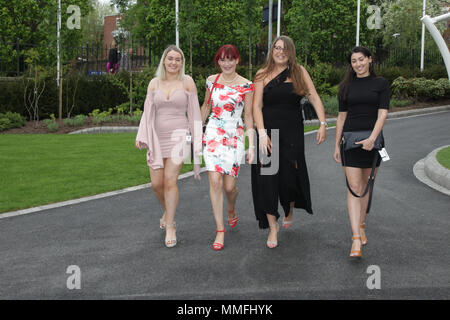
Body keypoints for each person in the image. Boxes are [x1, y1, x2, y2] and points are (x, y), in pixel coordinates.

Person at [251, 36, 327, 248]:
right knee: (267, 181)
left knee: (288, 181)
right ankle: (272, 227)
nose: (280, 52)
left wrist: (322, 123)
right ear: (271, 51)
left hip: (292, 133)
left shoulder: (299, 72)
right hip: (269, 135)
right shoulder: (261, 75)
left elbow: (313, 96)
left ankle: (289, 207)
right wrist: (262, 132)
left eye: (284, 49)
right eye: (277, 48)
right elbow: (256, 107)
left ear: (290, 51)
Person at [136, 45, 202, 248]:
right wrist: (141, 135)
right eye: (170, 58)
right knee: (157, 184)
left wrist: (197, 143)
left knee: (170, 179)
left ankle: (171, 225)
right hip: (157, 137)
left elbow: (194, 114)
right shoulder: (154, 84)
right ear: (164, 60)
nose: (173, 62)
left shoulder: (187, 82)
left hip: (179, 136)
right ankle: (167, 210)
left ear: (182, 63)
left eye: (178, 59)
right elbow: (147, 112)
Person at [333, 46, 390, 258]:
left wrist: (372, 139)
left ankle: (362, 224)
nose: (358, 64)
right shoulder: (345, 87)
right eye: (354, 61)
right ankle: (355, 238)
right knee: (354, 187)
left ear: (370, 59)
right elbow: (341, 117)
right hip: (350, 142)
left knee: (366, 186)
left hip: (373, 142)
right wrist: (336, 144)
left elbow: (383, 114)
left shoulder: (381, 84)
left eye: (361, 59)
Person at [200, 44, 255, 251]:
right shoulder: (211, 81)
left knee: (229, 187)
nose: (227, 63)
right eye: (223, 59)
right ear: (218, 61)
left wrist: (251, 144)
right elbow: (206, 106)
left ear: (237, 60)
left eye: (230, 59)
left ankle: (231, 208)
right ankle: (220, 230)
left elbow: (248, 116)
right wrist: (196, 131)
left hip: (234, 135)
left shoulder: (246, 85)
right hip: (213, 132)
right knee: (214, 181)